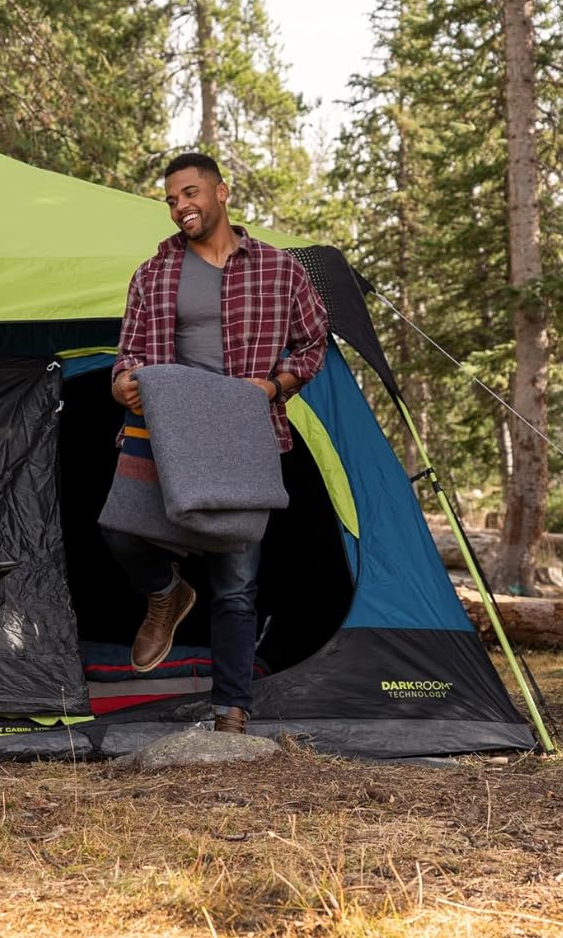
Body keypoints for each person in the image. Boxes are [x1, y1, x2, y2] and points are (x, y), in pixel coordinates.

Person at [103, 152, 329, 735]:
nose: (180, 206)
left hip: (240, 433)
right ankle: (166, 594)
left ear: (221, 192)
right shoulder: (153, 274)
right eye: (171, 200)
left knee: (235, 578)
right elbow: (128, 352)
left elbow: (313, 344)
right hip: (164, 426)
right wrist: (124, 381)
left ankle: (231, 707)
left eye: (189, 193)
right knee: (120, 528)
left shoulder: (280, 270)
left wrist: (273, 385)